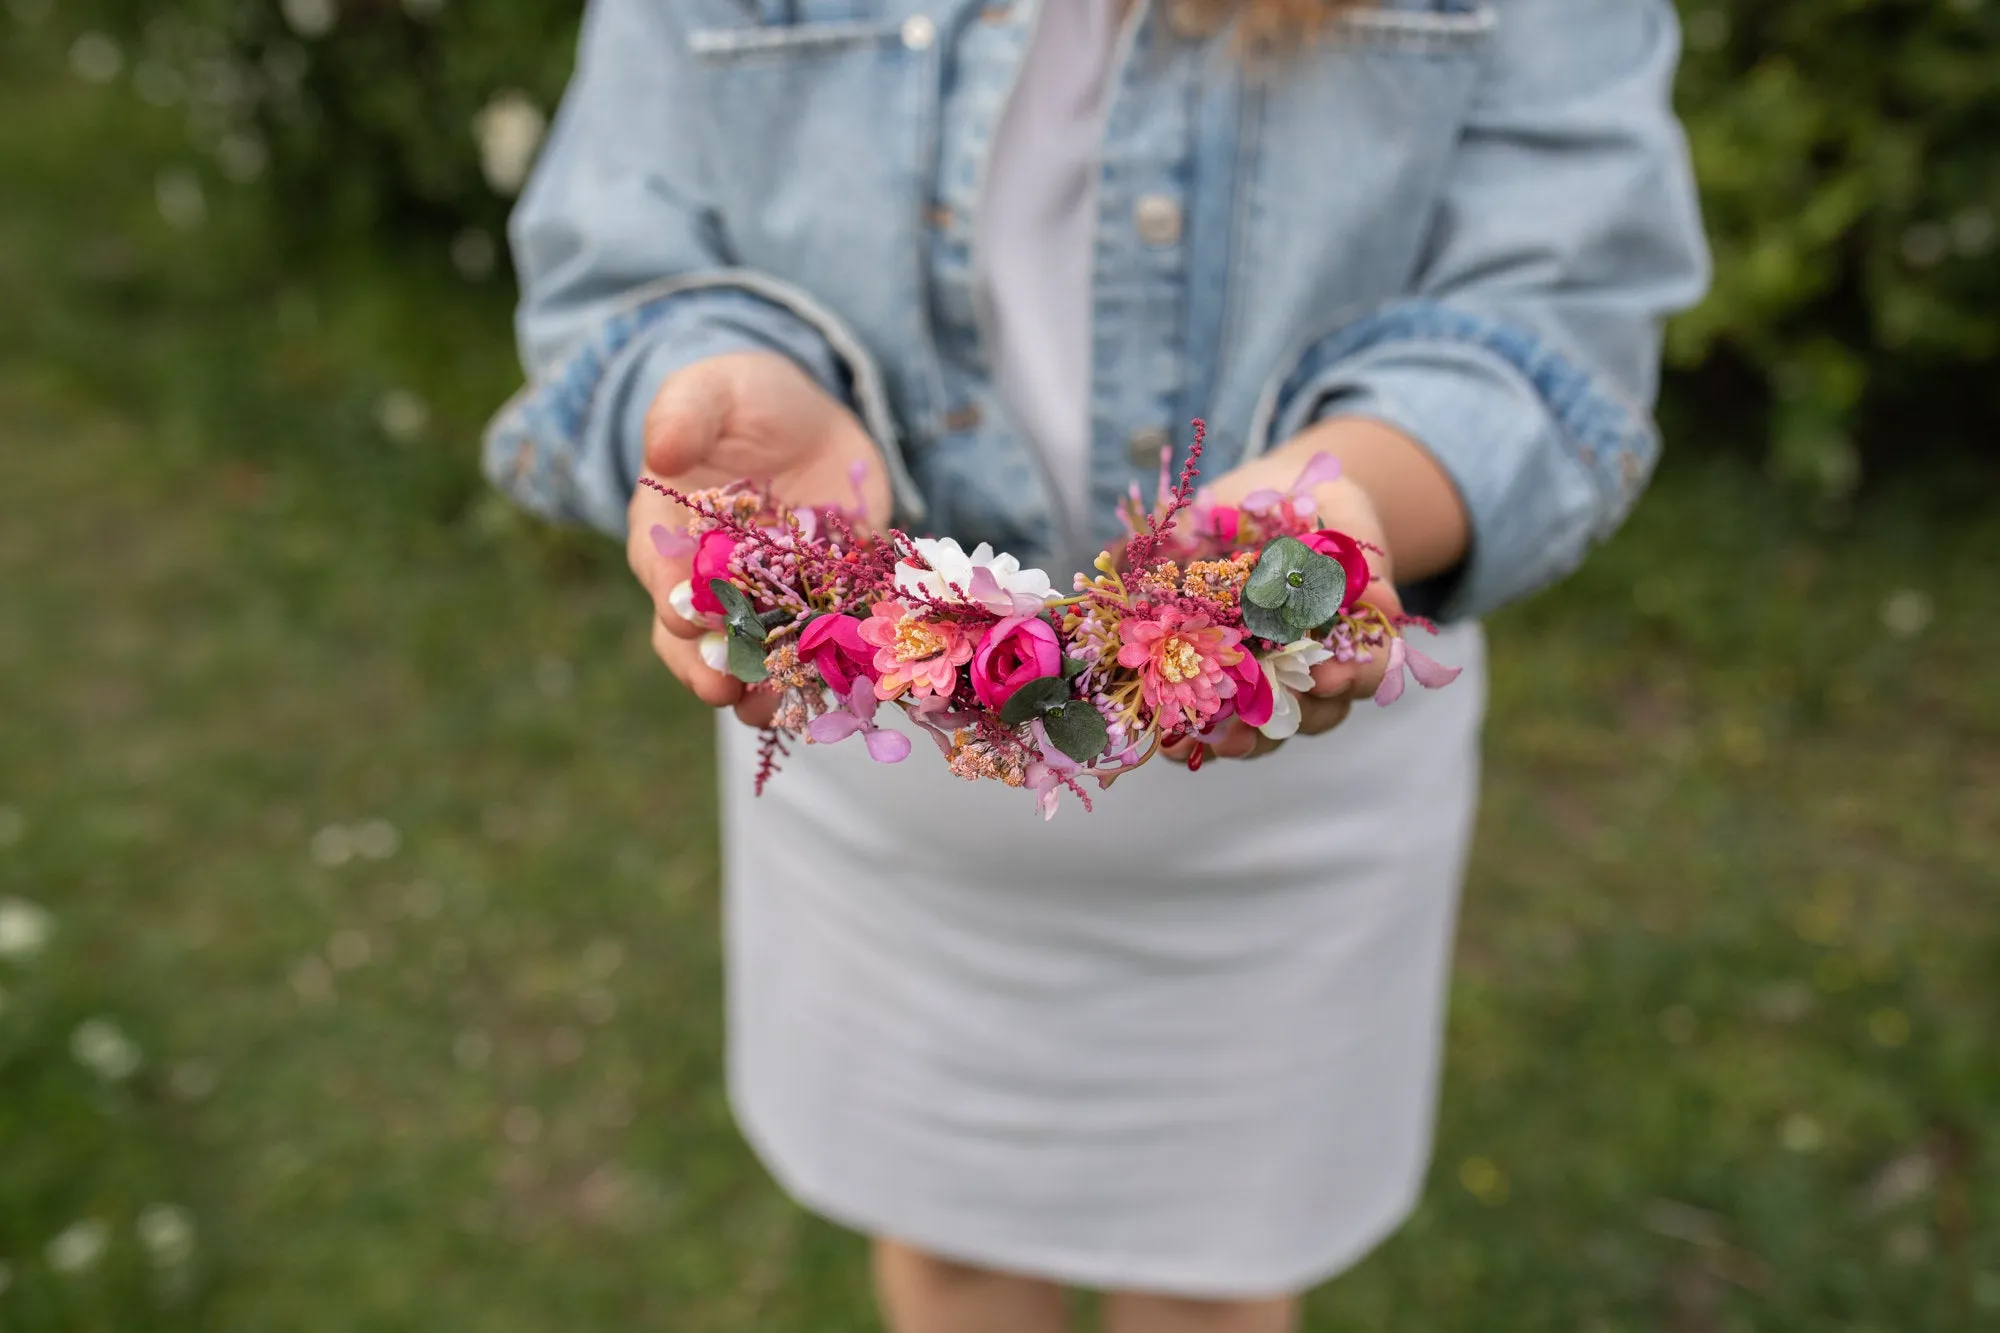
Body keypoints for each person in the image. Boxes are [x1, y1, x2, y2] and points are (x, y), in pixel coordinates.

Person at [484, 0, 1708, 1328]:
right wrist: (721, 400)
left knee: (1216, 1280)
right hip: (890, 799)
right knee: (949, 1250)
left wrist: (1336, 511)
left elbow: (1560, 307)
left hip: (1282, 806)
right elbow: (625, 249)